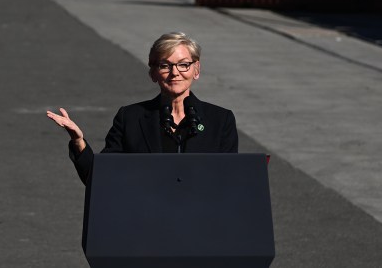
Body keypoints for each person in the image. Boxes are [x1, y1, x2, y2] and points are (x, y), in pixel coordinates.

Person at [46, 32, 238, 185]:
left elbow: (231, 181)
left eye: (184, 65)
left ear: (196, 70)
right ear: (153, 73)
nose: (175, 73)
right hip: (146, 222)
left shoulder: (220, 120)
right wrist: (78, 141)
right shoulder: (130, 118)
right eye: (165, 65)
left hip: (202, 224)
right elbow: (100, 180)